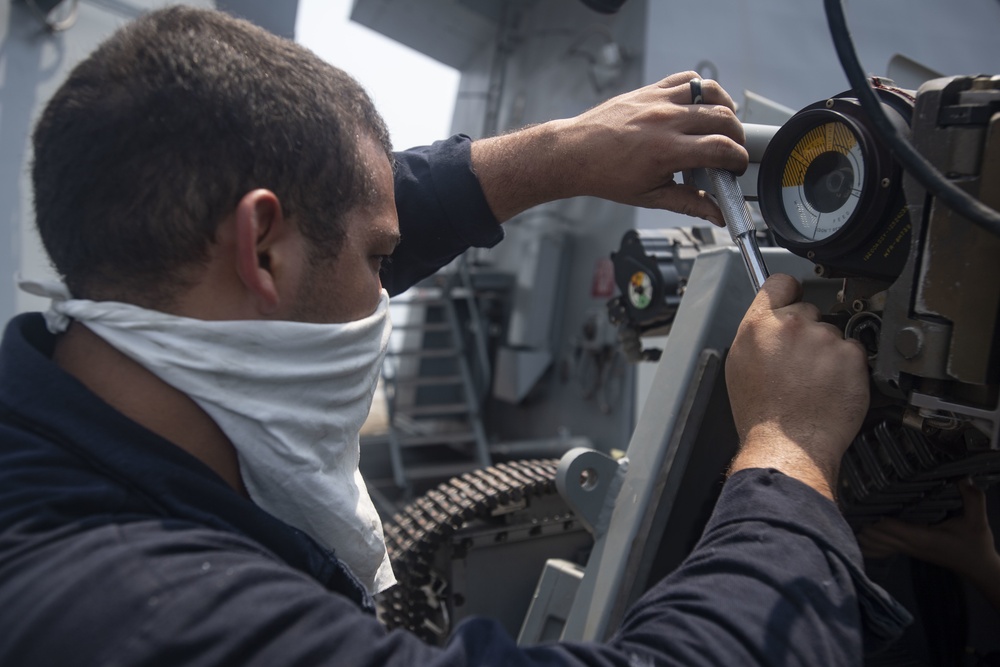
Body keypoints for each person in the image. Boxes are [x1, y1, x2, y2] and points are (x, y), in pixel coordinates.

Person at [0, 5, 909, 665]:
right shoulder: (149, 611)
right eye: (379, 256)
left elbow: (326, 224)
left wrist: (556, 156)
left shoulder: (47, 432)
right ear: (261, 251)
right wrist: (787, 453)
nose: (385, 282)